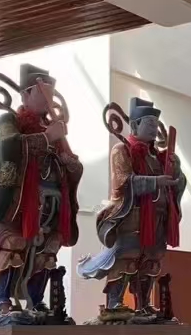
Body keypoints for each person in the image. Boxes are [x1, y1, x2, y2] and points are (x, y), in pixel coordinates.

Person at [0, 64, 82, 320]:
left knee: (47, 250)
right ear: (25, 94)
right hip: (20, 202)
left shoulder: (54, 128)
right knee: (13, 246)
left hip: (52, 203)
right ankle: (2, 300)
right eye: (41, 92)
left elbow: (72, 164)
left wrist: (70, 163)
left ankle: (36, 300)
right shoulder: (9, 121)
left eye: (51, 93)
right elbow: (10, 148)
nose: (47, 99)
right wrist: (47, 138)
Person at [78, 97, 185, 323]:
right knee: (127, 258)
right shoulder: (122, 150)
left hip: (158, 219)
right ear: (135, 125)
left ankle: (143, 304)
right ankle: (114, 304)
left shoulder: (159, 157)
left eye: (156, 125)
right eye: (149, 124)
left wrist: (176, 171)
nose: (154, 129)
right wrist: (155, 182)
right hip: (132, 217)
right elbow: (123, 182)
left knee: (151, 261)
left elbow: (177, 182)